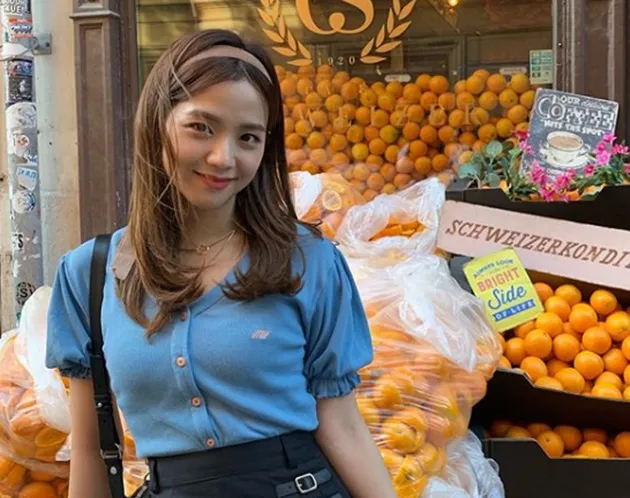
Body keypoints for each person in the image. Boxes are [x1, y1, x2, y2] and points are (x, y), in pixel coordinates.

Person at [46, 29, 396, 498]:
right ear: (157, 123)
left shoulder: (308, 261)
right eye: (201, 127)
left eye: (248, 137)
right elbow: (91, 451)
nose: (223, 157)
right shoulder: (89, 275)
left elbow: (342, 426)